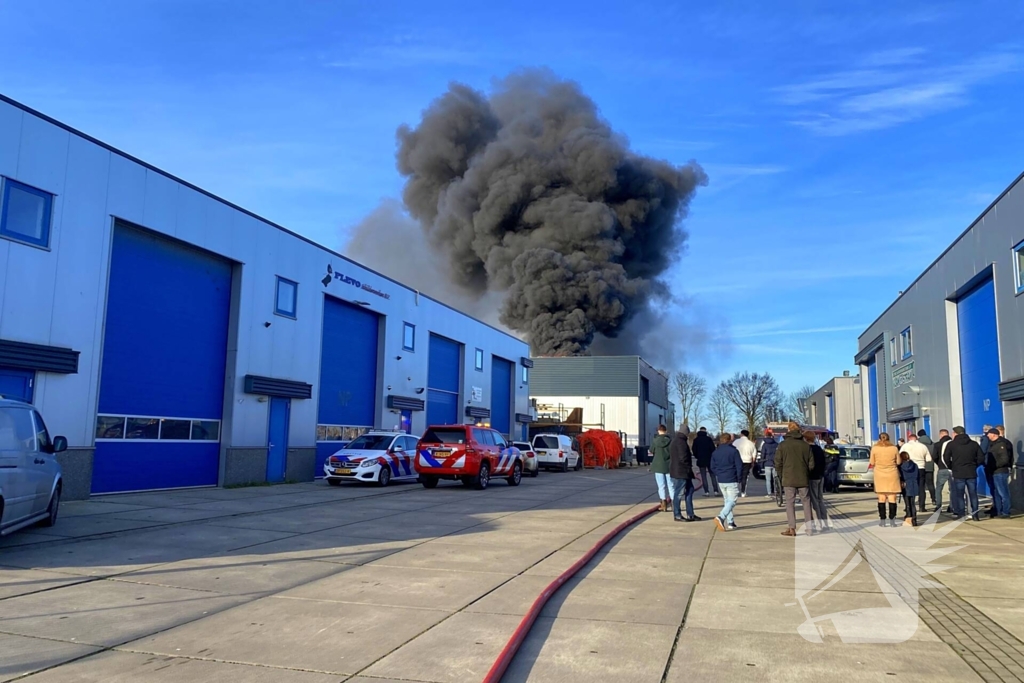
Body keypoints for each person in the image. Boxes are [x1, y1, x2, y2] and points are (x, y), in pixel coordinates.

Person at [776, 421, 814, 536]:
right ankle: (809, 528)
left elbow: (778, 463)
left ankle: (792, 528)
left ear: (788, 430)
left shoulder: (783, 445)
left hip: (788, 478)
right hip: (803, 477)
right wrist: (806, 472)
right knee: (806, 502)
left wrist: (781, 474)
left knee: (789, 503)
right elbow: (811, 464)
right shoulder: (806, 445)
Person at [947, 426, 984, 521]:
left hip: (958, 472)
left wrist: (951, 466)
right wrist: (974, 465)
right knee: (973, 494)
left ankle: (961, 514)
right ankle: (975, 515)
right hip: (971, 472)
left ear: (956, 433)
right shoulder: (974, 444)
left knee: (960, 495)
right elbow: (981, 457)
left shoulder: (952, 444)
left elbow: (945, 457)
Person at [710, 433, 743, 531]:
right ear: (729, 440)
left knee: (727, 500)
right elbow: (739, 466)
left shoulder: (715, 452)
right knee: (732, 500)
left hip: (721, 479)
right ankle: (721, 516)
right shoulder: (734, 451)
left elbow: (712, 466)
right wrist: (739, 478)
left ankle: (730, 522)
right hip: (731, 478)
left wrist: (718, 473)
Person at [670, 425, 700, 522]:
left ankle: (690, 514)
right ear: (685, 432)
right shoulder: (681, 442)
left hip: (680, 471)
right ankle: (677, 514)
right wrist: (690, 469)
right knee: (679, 493)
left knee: (690, 490)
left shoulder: (675, 441)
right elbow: (683, 458)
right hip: (682, 472)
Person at [870, 433, 901, 527]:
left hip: (879, 474)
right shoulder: (894, 448)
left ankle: (882, 520)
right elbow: (899, 462)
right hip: (892, 473)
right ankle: (892, 520)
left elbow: (872, 462)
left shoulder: (875, 448)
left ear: (879, 439)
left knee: (881, 498)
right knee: (892, 498)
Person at [985, 428, 1014, 519]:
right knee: (996, 493)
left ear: (994, 434)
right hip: (994, 472)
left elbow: (1004, 459)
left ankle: (1006, 512)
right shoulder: (992, 444)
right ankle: (998, 511)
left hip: (1000, 472)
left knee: (1003, 493)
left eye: (989, 434)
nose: (987, 435)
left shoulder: (1001, 444)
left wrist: (994, 466)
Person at [899, 433, 931, 513]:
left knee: (907, 487)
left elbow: (899, 457)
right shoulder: (923, 446)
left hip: (907, 468)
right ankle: (922, 506)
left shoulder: (905, 446)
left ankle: (908, 506)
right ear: (916, 439)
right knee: (921, 487)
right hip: (920, 467)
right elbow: (929, 459)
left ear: (909, 439)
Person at [805, 431, 829, 532]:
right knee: (820, 500)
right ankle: (825, 523)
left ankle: (819, 524)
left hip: (812, 477)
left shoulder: (808, 449)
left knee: (814, 501)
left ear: (805, 439)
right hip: (821, 476)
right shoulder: (819, 449)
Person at [650, 425, 672, 512]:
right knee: (671, 485)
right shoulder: (670, 441)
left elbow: (651, 450)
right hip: (668, 465)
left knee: (661, 486)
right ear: (666, 431)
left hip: (658, 465)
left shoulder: (655, 441)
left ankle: (664, 505)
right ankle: (675, 504)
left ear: (658, 431)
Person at [693, 427, 719, 497]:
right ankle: (716, 491)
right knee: (713, 475)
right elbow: (713, 449)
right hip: (710, 460)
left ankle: (706, 492)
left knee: (703, 476)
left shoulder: (696, 440)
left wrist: (698, 456)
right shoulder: (709, 439)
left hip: (701, 460)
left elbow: (694, 450)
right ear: (705, 431)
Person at [934, 429, 953, 514]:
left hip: (942, 468)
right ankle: (952, 506)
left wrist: (939, 463)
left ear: (940, 435)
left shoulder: (937, 445)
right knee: (952, 489)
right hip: (952, 469)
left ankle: (938, 506)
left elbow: (934, 456)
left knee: (939, 488)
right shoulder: (953, 444)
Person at [899, 452, 920, 526]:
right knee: (912, 503)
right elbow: (918, 476)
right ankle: (914, 518)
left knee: (907, 503)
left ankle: (908, 516)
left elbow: (900, 476)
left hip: (906, 484)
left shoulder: (901, 466)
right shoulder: (915, 465)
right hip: (914, 484)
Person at [734, 429, 757, 498]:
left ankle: (735, 491)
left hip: (737, 461)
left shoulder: (736, 442)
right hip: (747, 461)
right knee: (744, 477)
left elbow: (732, 451)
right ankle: (743, 492)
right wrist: (753, 463)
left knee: (736, 476)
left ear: (741, 434)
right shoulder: (751, 443)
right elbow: (754, 454)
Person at [761, 429, 779, 497]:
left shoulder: (765, 445)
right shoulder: (776, 444)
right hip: (775, 463)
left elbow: (763, 454)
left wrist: (762, 464)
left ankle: (769, 493)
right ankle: (776, 491)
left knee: (768, 479)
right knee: (775, 478)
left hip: (767, 463)